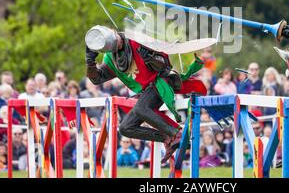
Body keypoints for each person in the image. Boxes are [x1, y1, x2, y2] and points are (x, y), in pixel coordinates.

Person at [85, 28, 205, 162]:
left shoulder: (136, 40)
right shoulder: (111, 59)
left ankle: (178, 134)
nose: (117, 45)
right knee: (126, 128)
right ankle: (167, 137)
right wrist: (90, 62)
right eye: (113, 46)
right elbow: (97, 79)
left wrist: (150, 56)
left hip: (160, 82)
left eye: (117, 41)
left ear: (114, 32)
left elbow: (165, 64)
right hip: (146, 91)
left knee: (141, 109)